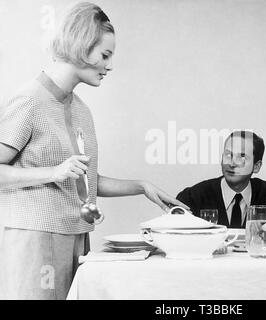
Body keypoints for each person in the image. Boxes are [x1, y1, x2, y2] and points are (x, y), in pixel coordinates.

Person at [0, 2, 187, 300]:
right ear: (81, 46)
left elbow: (87, 181)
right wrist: (54, 172)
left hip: (77, 235)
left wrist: (142, 187)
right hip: (35, 239)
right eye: (105, 55)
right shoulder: (29, 101)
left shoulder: (81, 110)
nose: (109, 65)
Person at [176, 130, 266, 234]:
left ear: (256, 166)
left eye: (242, 157)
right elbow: (171, 233)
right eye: (228, 155)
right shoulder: (194, 196)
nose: (231, 163)